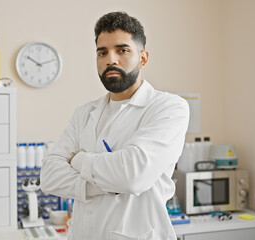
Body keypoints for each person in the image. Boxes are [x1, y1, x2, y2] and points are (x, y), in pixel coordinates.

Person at [41, 11, 189, 240]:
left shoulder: (168, 107)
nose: (111, 59)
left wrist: (78, 160)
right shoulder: (84, 113)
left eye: (122, 50)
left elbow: (133, 175)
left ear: (143, 58)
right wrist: (110, 184)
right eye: (103, 52)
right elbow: (49, 175)